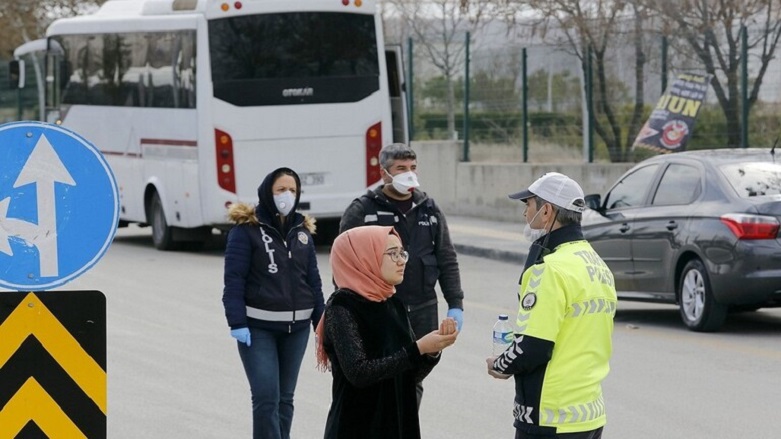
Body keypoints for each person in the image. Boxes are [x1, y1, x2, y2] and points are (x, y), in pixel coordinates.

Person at [485, 172, 617, 439]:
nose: (525, 214)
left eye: (528, 205)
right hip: (588, 414)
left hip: (549, 414)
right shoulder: (598, 266)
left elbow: (534, 345)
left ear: (546, 211)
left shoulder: (550, 269)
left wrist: (500, 365)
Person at [339, 143, 464, 398]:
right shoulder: (363, 209)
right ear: (385, 173)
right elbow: (345, 259)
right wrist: (352, 308)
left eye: (413, 168)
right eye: (401, 168)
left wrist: (455, 303)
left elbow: (446, 257)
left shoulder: (428, 208)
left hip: (422, 308)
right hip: (381, 308)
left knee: (414, 376)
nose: (409, 174)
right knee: (384, 375)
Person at [315, 225, 458, 439]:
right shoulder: (342, 307)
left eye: (402, 253)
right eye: (392, 254)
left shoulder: (392, 303)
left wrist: (431, 352)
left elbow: (409, 376)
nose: (401, 260)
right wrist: (417, 348)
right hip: (358, 427)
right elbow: (359, 374)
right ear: (364, 258)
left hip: (397, 423)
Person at [222, 167, 325, 439]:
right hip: (258, 329)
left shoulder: (302, 231)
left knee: (285, 400)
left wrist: (322, 323)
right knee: (267, 398)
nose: (287, 195)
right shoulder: (246, 231)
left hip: (298, 329)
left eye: (292, 190)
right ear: (268, 192)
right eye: (281, 189)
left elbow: (313, 281)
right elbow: (233, 281)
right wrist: (237, 322)